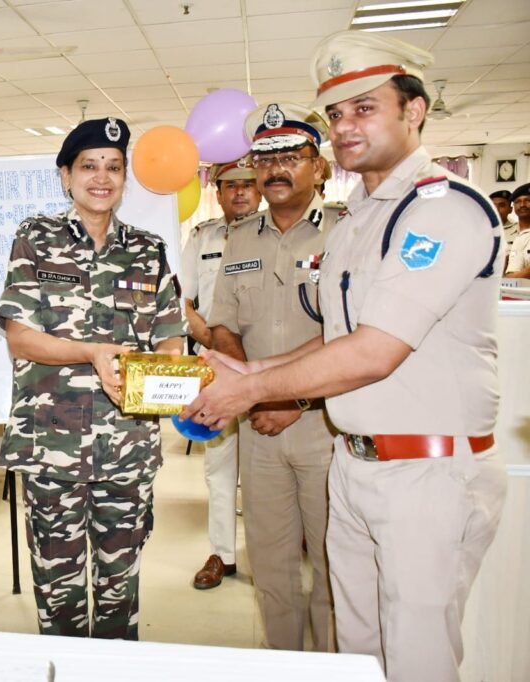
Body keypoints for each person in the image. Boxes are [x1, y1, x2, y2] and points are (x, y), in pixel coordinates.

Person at [185, 31, 506, 681]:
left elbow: (374, 351)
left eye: (365, 107)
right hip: (357, 465)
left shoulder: (442, 209)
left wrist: (250, 391)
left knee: (416, 657)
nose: (345, 126)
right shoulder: (362, 217)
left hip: (426, 472)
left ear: (413, 111)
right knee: (359, 653)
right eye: (336, 113)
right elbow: (340, 333)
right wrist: (253, 370)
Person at [0, 117, 186, 639]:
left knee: (120, 585)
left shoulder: (148, 249)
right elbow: (20, 337)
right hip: (52, 448)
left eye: (113, 167)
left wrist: (172, 372)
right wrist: (93, 353)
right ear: (66, 176)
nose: (102, 178)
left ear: (124, 178)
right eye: (89, 166)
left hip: (128, 446)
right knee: (59, 590)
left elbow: (171, 336)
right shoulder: (36, 238)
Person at [205, 103, 337, 652]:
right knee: (271, 564)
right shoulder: (240, 238)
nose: (275, 168)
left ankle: (332, 667)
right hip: (258, 429)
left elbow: (351, 334)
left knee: (334, 566)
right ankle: (285, 664)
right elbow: (223, 324)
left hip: (325, 426)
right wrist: (252, 394)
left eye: (291, 156)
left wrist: (291, 400)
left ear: (318, 166)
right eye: (264, 158)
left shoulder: (347, 231)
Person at [179, 157, 259, 590]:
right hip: (214, 368)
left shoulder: (274, 235)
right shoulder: (202, 237)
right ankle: (221, 554)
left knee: (268, 469)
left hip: (265, 370)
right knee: (220, 467)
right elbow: (184, 301)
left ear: (260, 189)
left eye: (249, 183)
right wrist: (213, 343)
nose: (240, 191)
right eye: (231, 185)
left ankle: (270, 551)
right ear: (219, 191)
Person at [504, 183, 530, 277]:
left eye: (528, 200)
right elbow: (511, 276)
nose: (522, 205)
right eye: (518, 202)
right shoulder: (520, 238)